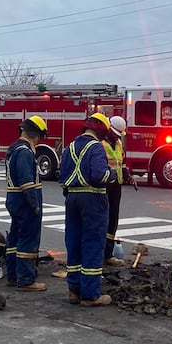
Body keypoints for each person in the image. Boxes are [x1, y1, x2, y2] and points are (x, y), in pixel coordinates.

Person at [59, 113, 117, 306]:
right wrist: (113, 174)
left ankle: (74, 290)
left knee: (74, 241)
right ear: (101, 129)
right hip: (93, 198)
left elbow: (62, 177)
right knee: (93, 242)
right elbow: (99, 175)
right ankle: (91, 294)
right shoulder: (96, 148)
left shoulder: (70, 147)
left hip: (72, 198)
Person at [5, 115, 48, 292]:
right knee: (28, 239)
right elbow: (26, 181)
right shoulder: (24, 151)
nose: (38, 141)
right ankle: (26, 280)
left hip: (14, 199)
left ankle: (13, 276)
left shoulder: (14, 148)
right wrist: (34, 203)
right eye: (39, 136)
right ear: (33, 133)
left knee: (15, 238)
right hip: (24, 201)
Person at [102, 116, 136, 267]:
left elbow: (120, 163)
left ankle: (108, 254)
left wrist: (128, 176)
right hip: (104, 185)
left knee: (112, 220)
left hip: (116, 186)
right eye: (115, 133)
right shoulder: (101, 144)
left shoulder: (118, 143)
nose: (117, 136)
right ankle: (100, 253)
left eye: (118, 134)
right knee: (102, 220)